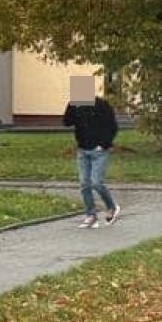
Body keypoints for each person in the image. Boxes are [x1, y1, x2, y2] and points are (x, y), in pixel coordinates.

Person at [63, 92, 120, 229]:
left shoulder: (101, 105)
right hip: (83, 149)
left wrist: (104, 144)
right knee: (84, 184)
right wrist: (71, 106)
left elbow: (112, 126)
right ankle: (91, 215)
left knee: (96, 182)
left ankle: (111, 207)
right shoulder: (76, 106)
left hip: (99, 151)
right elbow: (67, 122)